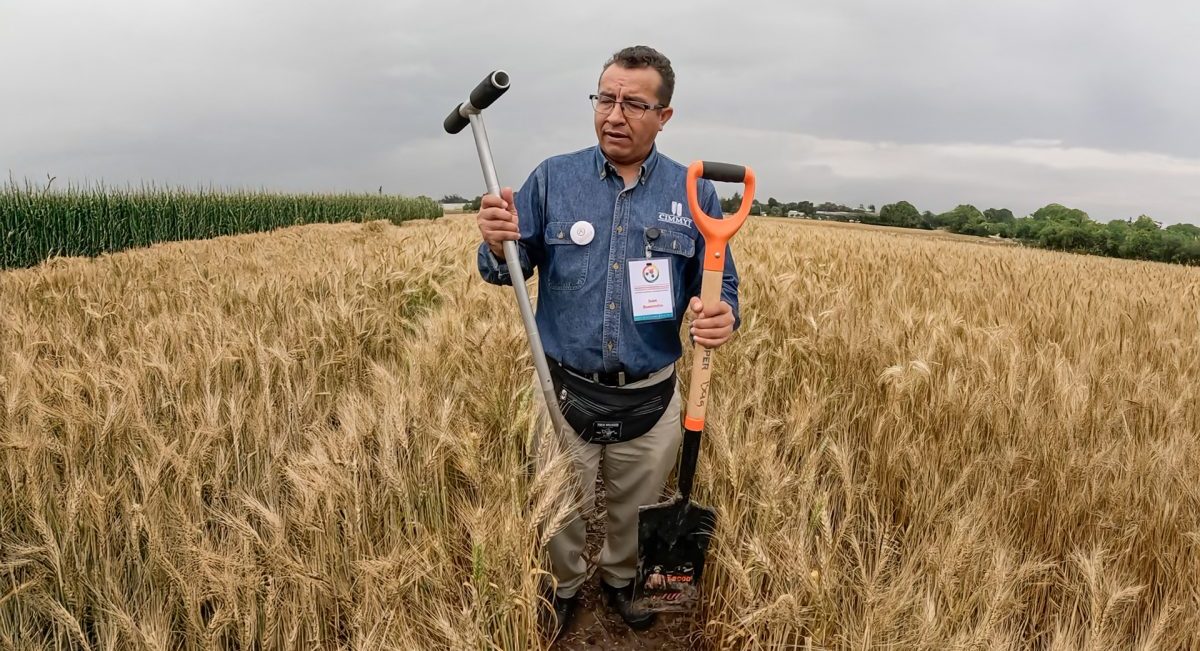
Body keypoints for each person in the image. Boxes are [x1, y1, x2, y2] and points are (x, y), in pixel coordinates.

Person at [475, 45, 741, 639]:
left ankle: (622, 578)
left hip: (651, 393)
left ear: (664, 115)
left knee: (636, 503)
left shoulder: (693, 191)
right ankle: (566, 586)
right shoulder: (553, 178)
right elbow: (507, 271)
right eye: (605, 98)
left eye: (633, 103)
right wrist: (497, 245)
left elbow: (722, 284)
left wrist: (724, 316)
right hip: (563, 387)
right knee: (563, 508)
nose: (613, 115)